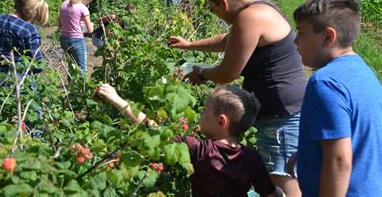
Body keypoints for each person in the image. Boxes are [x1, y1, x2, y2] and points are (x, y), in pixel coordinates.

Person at [168, 0, 306, 197]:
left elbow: (227, 73)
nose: (216, 16)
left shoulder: (249, 17)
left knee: (284, 185)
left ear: (223, 2)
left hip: (281, 114)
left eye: (213, 10)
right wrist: (190, 45)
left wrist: (200, 73)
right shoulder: (259, 8)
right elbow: (229, 40)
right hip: (284, 109)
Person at [96, 83, 285, 197]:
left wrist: (117, 99)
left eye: (204, 110)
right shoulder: (251, 157)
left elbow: (153, 128)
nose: (200, 114)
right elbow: (271, 194)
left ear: (221, 121)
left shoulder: (199, 150)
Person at [291, 0, 382, 196]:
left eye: (301, 33)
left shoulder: (325, 83)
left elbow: (339, 161)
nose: (296, 41)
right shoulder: (363, 72)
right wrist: (306, 154)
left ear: (328, 36)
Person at [58, 0, 94, 74]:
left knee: (71, 68)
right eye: (88, 3)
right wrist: (92, 24)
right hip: (76, 40)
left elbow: (60, 25)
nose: (87, 5)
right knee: (82, 69)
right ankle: (82, 88)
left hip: (63, 39)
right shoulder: (82, 7)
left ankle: (70, 86)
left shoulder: (64, 4)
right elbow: (90, 30)